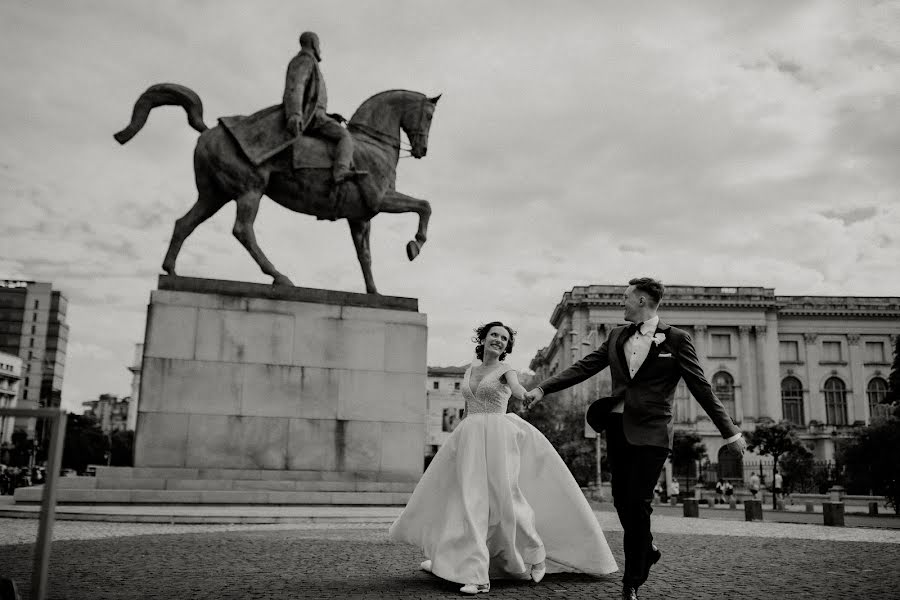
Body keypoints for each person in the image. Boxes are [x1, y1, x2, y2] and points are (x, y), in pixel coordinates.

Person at [524, 277, 747, 600]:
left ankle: (632, 581)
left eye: (627, 298)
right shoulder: (617, 336)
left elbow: (702, 387)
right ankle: (647, 546)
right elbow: (585, 366)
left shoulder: (677, 340)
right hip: (617, 428)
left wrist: (731, 433)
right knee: (620, 500)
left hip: (653, 433)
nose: (622, 303)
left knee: (638, 503)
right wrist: (543, 388)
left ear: (642, 301)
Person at [390, 321, 617, 595]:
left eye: (504, 338)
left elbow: (519, 390)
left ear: (507, 346)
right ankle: (474, 573)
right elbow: (466, 410)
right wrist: (455, 443)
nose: (498, 340)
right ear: (483, 339)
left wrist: (530, 396)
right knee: (467, 503)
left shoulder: (506, 370)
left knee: (506, 501)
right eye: (494, 335)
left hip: (497, 439)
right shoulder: (470, 369)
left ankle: (535, 552)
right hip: (468, 439)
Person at [283, 31, 367, 184]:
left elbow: (311, 99)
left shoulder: (308, 62)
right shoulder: (305, 61)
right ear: (314, 45)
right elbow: (296, 87)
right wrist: (295, 113)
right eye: (319, 45)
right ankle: (340, 171)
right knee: (345, 137)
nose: (320, 49)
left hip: (317, 115)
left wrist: (330, 116)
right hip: (313, 118)